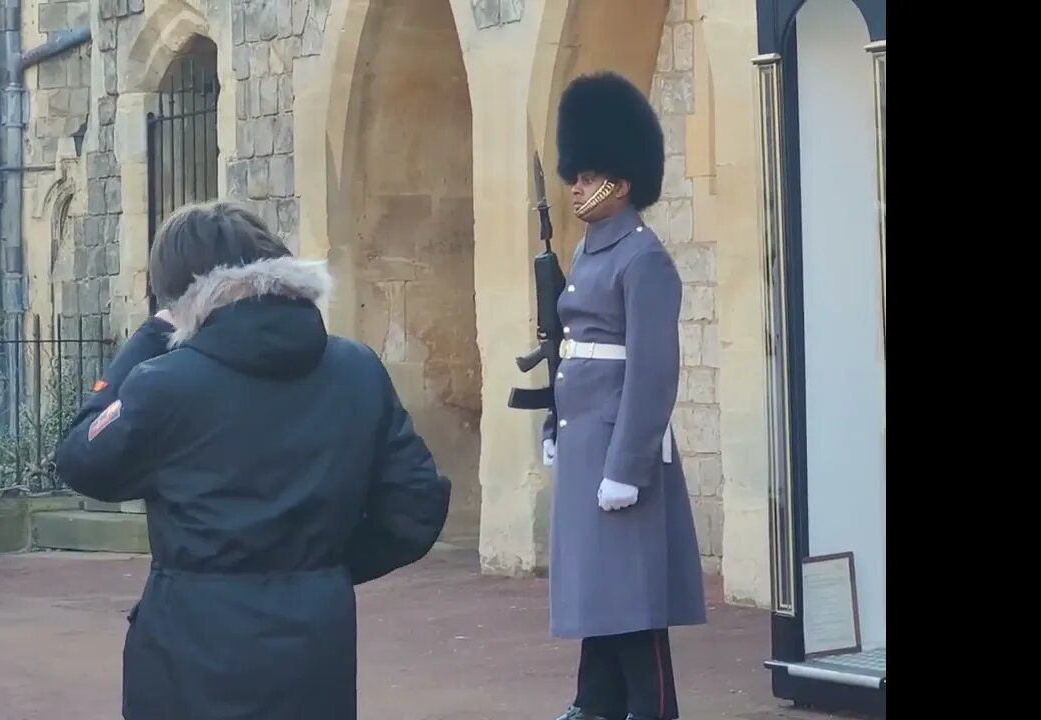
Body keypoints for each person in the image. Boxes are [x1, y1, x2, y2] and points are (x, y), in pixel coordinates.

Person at [53, 200, 451, 720]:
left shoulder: (167, 383)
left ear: (183, 295)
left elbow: (82, 458)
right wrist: (322, 571)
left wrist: (151, 335)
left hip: (193, 636)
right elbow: (416, 505)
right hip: (314, 636)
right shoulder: (357, 369)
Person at [541, 72, 708, 720]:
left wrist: (626, 467)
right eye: (575, 173)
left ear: (623, 178)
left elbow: (653, 371)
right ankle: (596, 704)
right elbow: (574, 353)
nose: (576, 184)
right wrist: (557, 426)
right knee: (600, 599)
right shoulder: (588, 253)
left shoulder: (644, 259)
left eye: (587, 173)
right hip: (589, 445)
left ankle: (650, 710)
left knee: (633, 605)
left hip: (619, 454)